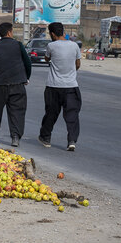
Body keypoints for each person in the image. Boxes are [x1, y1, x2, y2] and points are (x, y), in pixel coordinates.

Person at [0, 22, 31, 147]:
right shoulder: (18, 45)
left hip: (0, 84)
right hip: (17, 83)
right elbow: (27, 62)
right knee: (17, 111)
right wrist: (26, 77)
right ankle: (15, 137)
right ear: (10, 32)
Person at [38, 22, 82, 151]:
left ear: (52, 34)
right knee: (72, 114)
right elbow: (78, 64)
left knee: (51, 113)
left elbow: (47, 59)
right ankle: (72, 140)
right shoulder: (74, 46)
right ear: (63, 32)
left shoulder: (51, 45)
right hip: (71, 86)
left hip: (53, 86)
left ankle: (45, 138)